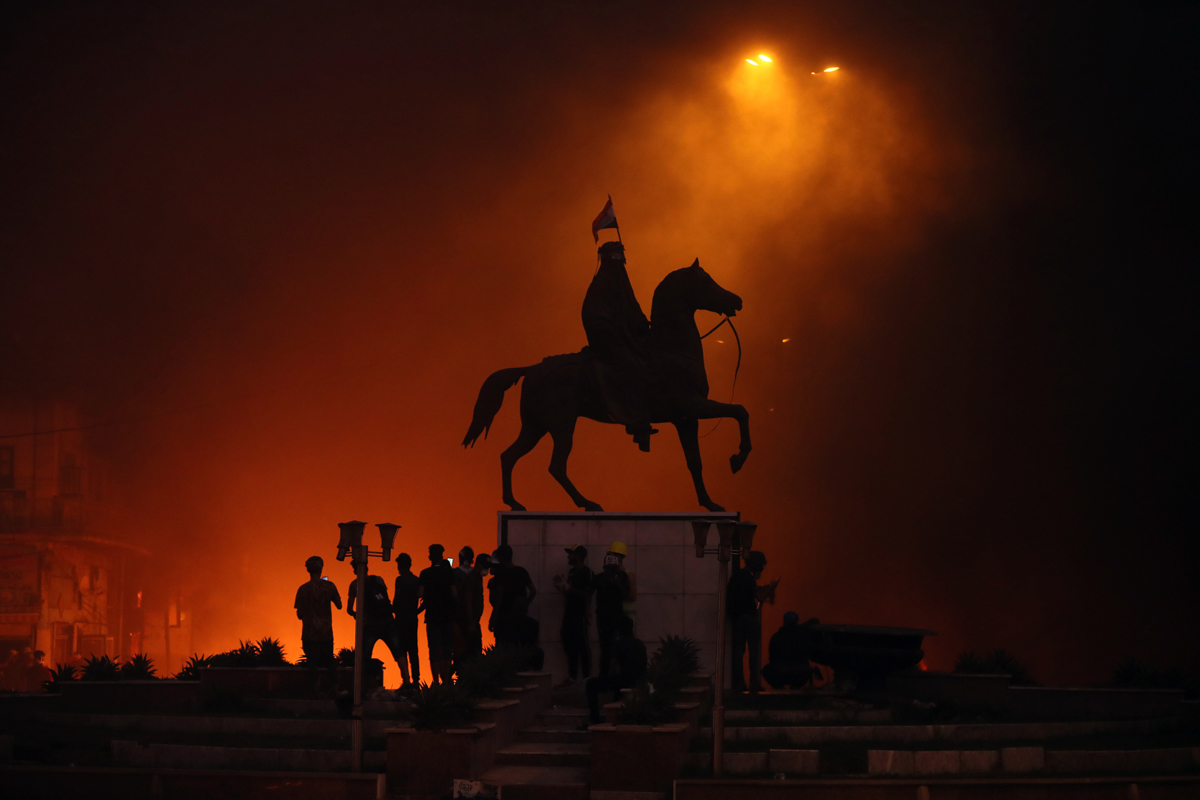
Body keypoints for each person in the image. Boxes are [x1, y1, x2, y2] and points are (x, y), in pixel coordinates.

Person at [582, 240, 657, 451]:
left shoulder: (622, 285)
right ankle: (636, 422)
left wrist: (641, 323)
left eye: (620, 258)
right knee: (631, 367)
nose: (620, 263)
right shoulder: (600, 284)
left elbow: (632, 308)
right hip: (608, 341)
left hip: (626, 337)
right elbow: (594, 316)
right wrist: (613, 333)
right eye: (616, 258)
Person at [727, 550, 778, 693]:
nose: (762, 568)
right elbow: (759, 597)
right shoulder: (747, 578)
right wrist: (771, 588)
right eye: (761, 566)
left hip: (738, 619)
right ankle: (753, 683)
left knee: (738, 652)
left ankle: (739, 683)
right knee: (753, 652)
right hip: (748, 619)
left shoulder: (738, 576)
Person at [584, 615, 646, 725]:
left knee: (590, 684)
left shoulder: (618, 644)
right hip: (639, 680)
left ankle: (595, 718)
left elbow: (611, 670)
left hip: (624, 679)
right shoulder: (640, 644)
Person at [294, 556, 342, 691]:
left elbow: (299, 614)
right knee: (329, 660)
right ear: (321, 568)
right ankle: (335, 687)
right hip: (326, 631)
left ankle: (314, 689)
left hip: (309, 633)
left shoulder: (303, 589)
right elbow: (339, 605)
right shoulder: (330, 586)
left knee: (312, 662)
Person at [347, 570, 405, 681]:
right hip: (387, 621)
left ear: (354, 570)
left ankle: (363, 682)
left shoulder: (354, 584)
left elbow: (349, 609)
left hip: (369, 624)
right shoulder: (378, 579)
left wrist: (356, 614)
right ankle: (407, 681)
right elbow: (386, 599)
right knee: (398, 652)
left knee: (364, 655)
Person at [553, 545, 593, 687]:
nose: (569, 556)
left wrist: (570, 588)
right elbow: (569, 593)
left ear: (579, 556)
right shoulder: (571, 572)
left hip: (579, 614)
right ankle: (572, 676)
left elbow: (587, 594)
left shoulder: (586, 572)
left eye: (571, 554)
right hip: (569, 613)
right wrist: (561, 587)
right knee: (568, 641)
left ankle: (587, 677)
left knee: (582, 645)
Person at [418, 544, 457, 685]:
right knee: (447, 650)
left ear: (430, 556)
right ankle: (446, 680)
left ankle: (435, 681)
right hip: (447, 615)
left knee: (433, 650)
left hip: (432, 615)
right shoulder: (449, 573)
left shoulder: (425, 573)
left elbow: (420, 594)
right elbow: (454, 593)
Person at [592, 541, 631, 677]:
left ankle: (621, 673)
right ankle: (605, 674)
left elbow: (628, 595)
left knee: (621, 646)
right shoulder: (598, 578)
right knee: (605, 647)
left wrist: (618, 583)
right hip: (604, 616)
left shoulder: (623, 576)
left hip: (618, 616)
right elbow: (588, 593)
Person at [487, 543, 536, 647]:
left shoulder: (501, 574)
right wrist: (525, 604)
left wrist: (493, 617)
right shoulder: (522, 571)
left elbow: (499, 598)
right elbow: (533, 591)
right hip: (520, 617)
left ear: (500, 557)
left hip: (504, 615)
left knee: (503, 647)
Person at [761, 612, 823, 689]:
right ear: (797, 621)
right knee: (808, 671)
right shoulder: (803, 636)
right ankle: (795, 688)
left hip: (780, 673)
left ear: (784, 622)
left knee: (766, 670)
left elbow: (772, 658)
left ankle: (779, 689)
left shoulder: (776, 637)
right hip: (800, 673)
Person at [393, 553, 421, 688]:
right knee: (413, 649)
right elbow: (423, 598)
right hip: (412, 618)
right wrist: (417, 611)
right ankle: (416, 679)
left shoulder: (400, 580)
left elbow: (397, 598)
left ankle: (407, 680)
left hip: (401, 618)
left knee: (402, 650)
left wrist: (392, 608)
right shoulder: (416, 580)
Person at [458, 553, 490, 664]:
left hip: (474, 620)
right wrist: (471, 621)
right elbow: (468, 600)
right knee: (472, 651)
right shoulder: (472, 578)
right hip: (470, 622)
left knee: (472, 650)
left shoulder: (477, 578)